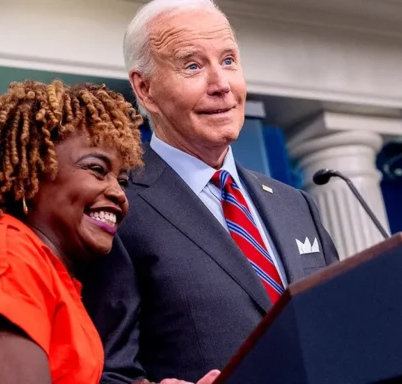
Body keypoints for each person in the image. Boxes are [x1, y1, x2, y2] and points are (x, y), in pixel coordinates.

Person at [79, 1, 342, 383]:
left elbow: (342, 327)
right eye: (192, 66)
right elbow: (104, 370)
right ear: (145, 89)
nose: (221, 84)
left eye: (229, 61)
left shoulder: (295, 204)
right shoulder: (117, 206)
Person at [0, 80, 215, 384]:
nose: (119, 194)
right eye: (96, 169)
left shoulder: (51, 277)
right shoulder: (1, 256)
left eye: (121, 181)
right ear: (29, 174)